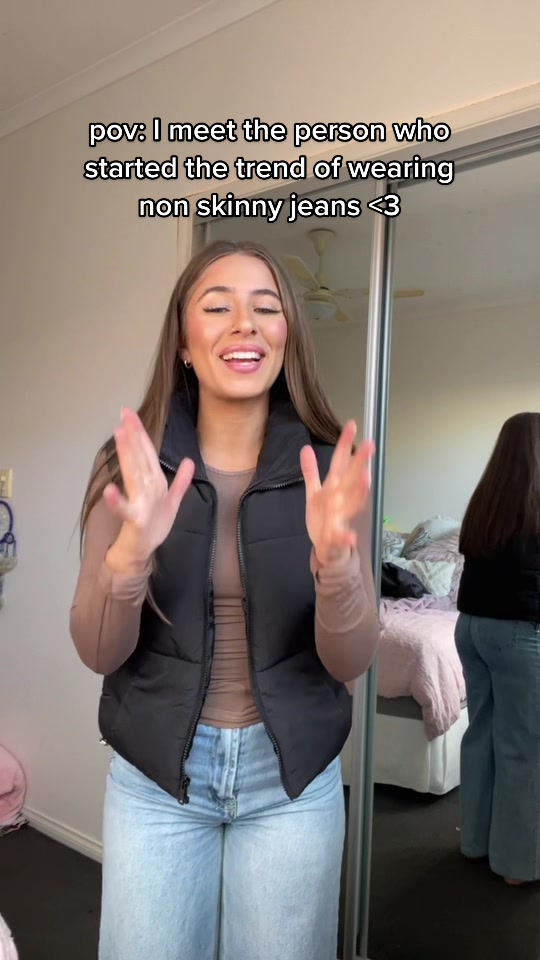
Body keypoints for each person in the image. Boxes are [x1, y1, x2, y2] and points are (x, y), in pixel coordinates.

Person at [69, 238, 379, 960]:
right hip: (158, 779)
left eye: (266, 308)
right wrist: (129, 555)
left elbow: (351, 661)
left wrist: (337, 568)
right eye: (218, 307)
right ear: (183, 342)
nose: (245, 323)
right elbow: (98, 651)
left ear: (286, 337)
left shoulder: (329, 472)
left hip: (291, 778)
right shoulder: (130, 466)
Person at [455, 411, 540, 886]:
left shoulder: (485, 500)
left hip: (470, 628)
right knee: (523, 748)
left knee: (482, 736)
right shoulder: (535, 504)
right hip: (515, 635)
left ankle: (476, 843)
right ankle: (517, 865)